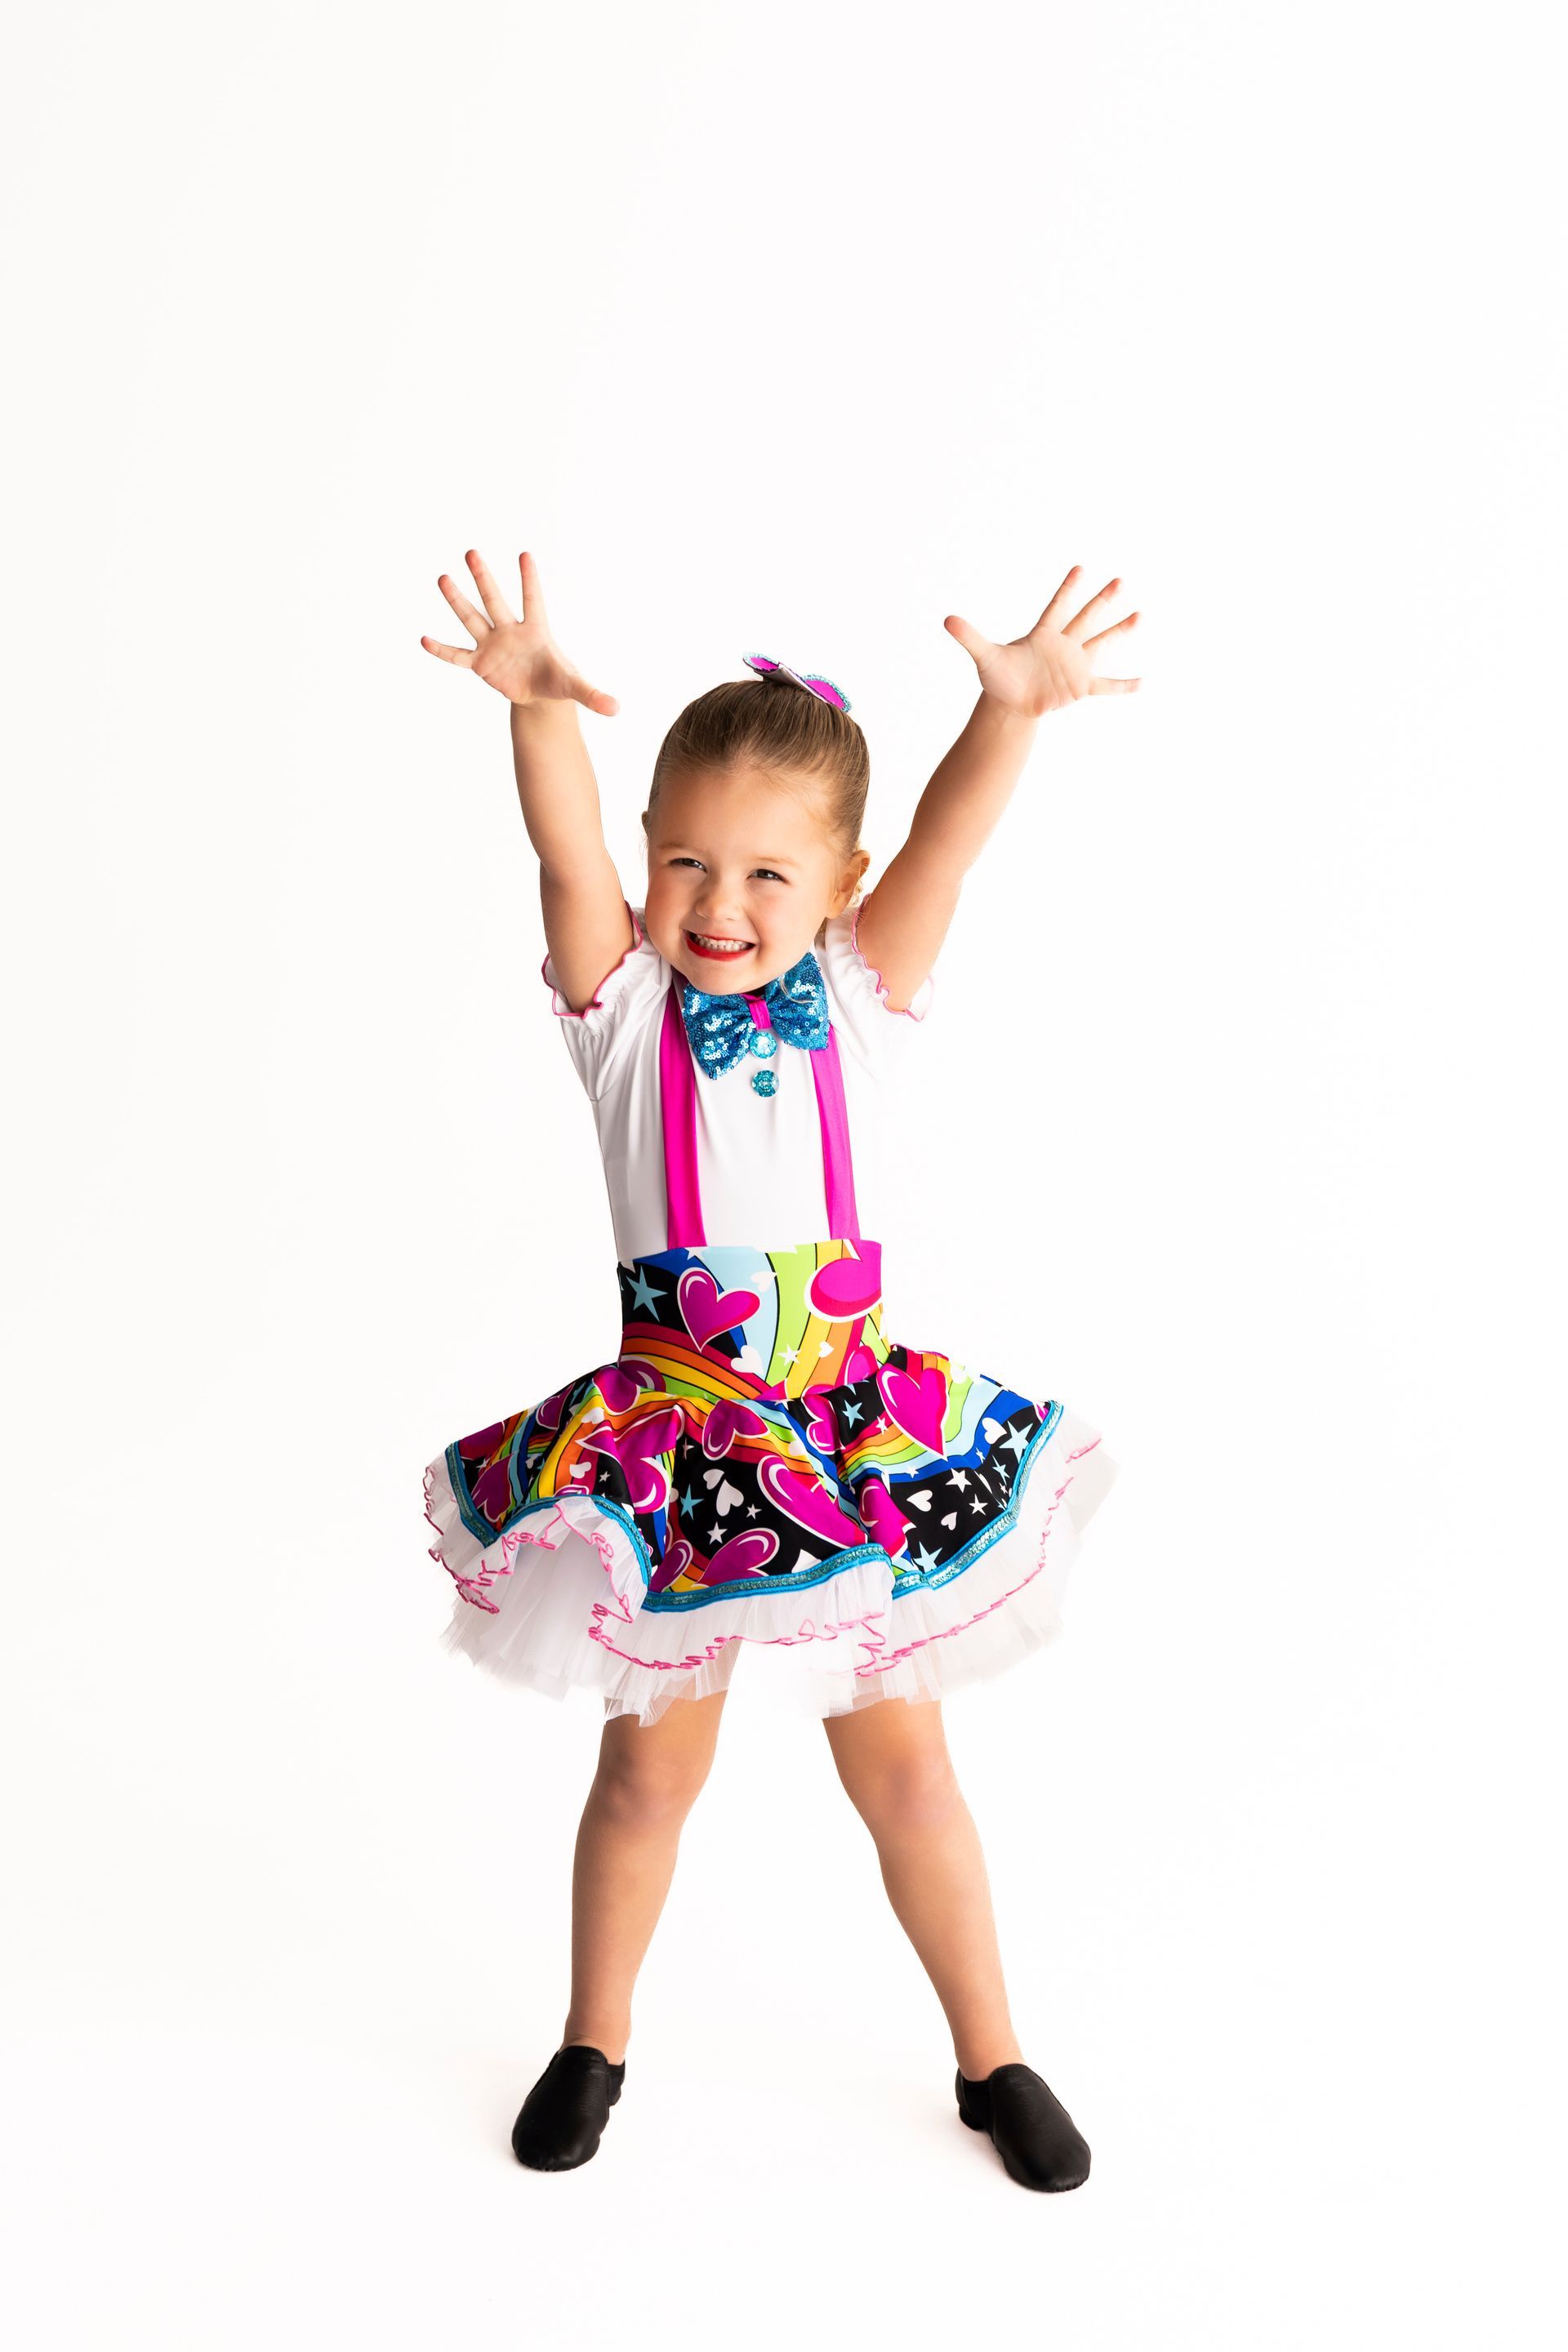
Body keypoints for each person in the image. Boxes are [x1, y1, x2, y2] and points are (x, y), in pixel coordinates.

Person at [418, 548, 1137, 2189]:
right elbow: (561, 853)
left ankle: (994, 2056)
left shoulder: (861, 1002)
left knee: (909, 1772)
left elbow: (947, 845)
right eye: (683, 861)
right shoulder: (620, 1013)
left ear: (837, 886)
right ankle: (593, 2041)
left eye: (763, 873)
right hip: (677, 1450)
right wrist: (536, 712)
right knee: (643, 1776)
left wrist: (1008, 716)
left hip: (844, 1440)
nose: (718, 905)